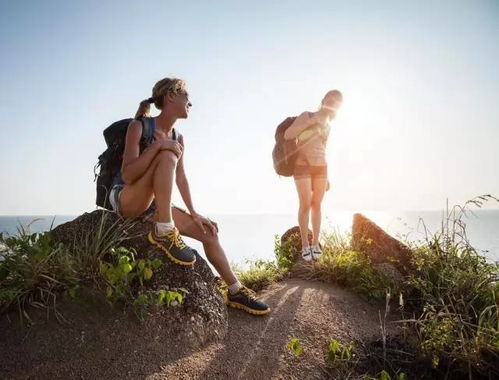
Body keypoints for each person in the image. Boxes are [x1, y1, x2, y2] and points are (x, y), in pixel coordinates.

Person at [109, 77, 269, 315]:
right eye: (187, 97)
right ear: (171, 95)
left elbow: (181, 178)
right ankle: (164, 231)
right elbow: (129, 174)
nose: (190, 104)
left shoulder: (178, 138)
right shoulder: (139, 126)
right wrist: (157, 148)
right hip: (127, 198)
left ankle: (236, 290)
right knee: (166, 154)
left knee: (209, 233)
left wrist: (195, 214)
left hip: (154, 206)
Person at [284, 90, 343, 262]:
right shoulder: (307, 115)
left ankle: (315, 243)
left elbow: (322, 148)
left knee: (317, 204)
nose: (332, 104)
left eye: (336, 103)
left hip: (321, 168)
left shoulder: (328, 126)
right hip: (302, 166)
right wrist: (311, 121)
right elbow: (289, 135)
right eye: (330, 100)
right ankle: (305, 245)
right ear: (324, 100)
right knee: (305, 204)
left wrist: (328, 177)